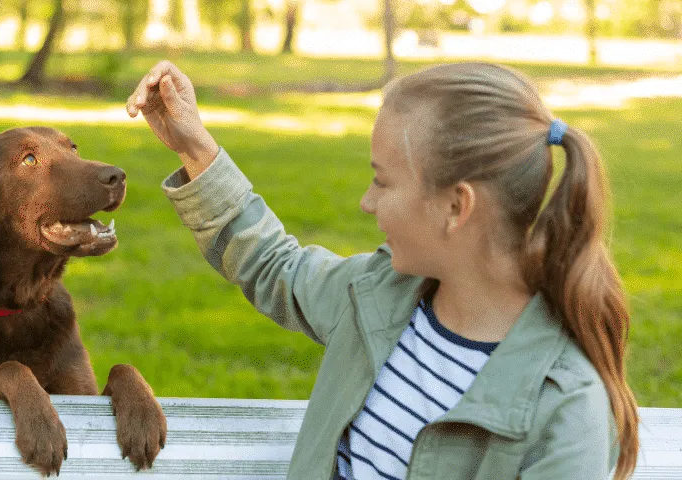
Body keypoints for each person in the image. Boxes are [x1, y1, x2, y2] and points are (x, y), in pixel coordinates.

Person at [125, 61, 639, 480]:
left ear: (457, 207)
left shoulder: (566, 411)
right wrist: (195, 147)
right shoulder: (380, 295)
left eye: (383, 182)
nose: (368, 203)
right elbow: (273, 264)